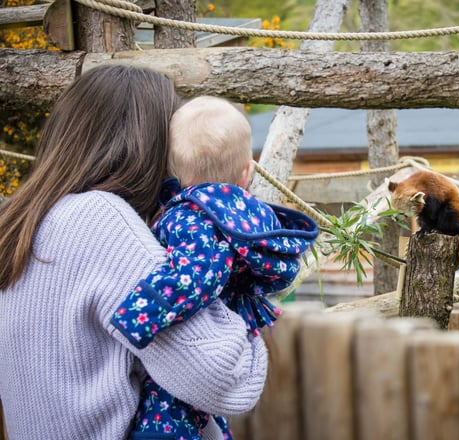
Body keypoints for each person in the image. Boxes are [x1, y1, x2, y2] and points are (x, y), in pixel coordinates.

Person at [0, 65, 269, 440]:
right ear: (148, 145)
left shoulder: (23, 221)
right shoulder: (101, 221)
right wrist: (247, 315)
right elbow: (226, 377)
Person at [109, 96, 318, 440]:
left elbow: (198, 275)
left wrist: (139, 314)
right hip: (234, 324)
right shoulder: (247, 214)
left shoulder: (193, 217)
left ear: (172, 170)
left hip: (193, 329)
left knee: (168, 408)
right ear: (247, 173)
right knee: (202, 413)